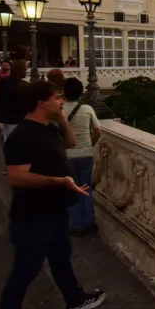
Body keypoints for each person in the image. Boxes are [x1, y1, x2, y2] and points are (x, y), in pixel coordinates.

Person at [0, 80, 105, 309]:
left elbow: (72, 142)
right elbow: (16, 176)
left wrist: (62, 117)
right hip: (32, 216)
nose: (61, 101)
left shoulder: (48, 127)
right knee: (24, 272)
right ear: (41, 102)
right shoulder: (22, 136)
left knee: (61, 256)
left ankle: (74, 299)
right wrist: (58, 180)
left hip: (53, 211)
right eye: (56, 98)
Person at [62, 78, 100, 236]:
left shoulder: (59, 110)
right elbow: (97, 131)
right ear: (81, 92)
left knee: (72, 189)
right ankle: (89, 223)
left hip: (67, 155)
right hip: (85, 154)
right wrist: (89, 145)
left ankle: (76, 225)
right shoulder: (87, 109)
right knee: (86, 188)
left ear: (64, 92)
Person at [0, 60, 27, 142]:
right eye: (25, 70)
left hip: (3, 117)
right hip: (15, 119)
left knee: (7, 139)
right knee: (15, 143)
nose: (26, 72)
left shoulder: (2, 81)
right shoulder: (23, 85)